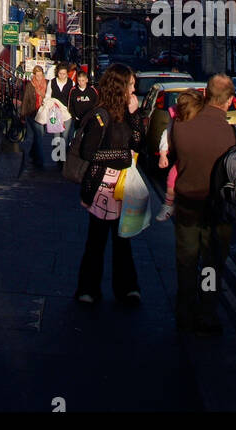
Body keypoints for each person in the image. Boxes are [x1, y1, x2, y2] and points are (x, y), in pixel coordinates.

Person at [170, 72, 236, 335]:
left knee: (186, 261)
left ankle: (185, 311)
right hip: (217, 210)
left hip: (187, 204)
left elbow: (175, 157)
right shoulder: (231, 134)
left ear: (207, 94)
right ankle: (207, 311)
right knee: (211, 264)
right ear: (230, 100)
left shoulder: (182, 126)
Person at [74, 63, 143, 306]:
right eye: (132, 84)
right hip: (101, 185)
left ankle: (127, 288)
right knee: (97, 240)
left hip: (123, 186)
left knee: (123, 239)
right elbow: (88, 152)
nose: (135, 88)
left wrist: (135, 115)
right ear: (120, 86)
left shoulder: (128, 113)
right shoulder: (100, 115)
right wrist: (119, 157)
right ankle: (88, 289)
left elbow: (137, 144)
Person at [155, 89, 204, 221]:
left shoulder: (202, 121)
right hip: (183, 159)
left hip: (199, 161)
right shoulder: (177, 120)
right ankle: (169, 204)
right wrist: (163, 153)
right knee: (172, 177)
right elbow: (167, 134)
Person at [20, 63, 50, 169]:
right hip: (33, 113)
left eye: (41, 75)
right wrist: (23, 115)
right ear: (34, 75)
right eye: (37, 75)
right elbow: (25, 100)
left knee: (37, 137)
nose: (39, 78)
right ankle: (40, 162)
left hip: (43, 113)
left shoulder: (47, 84)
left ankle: (32, 154)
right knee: (39, 136)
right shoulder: (30, 85)